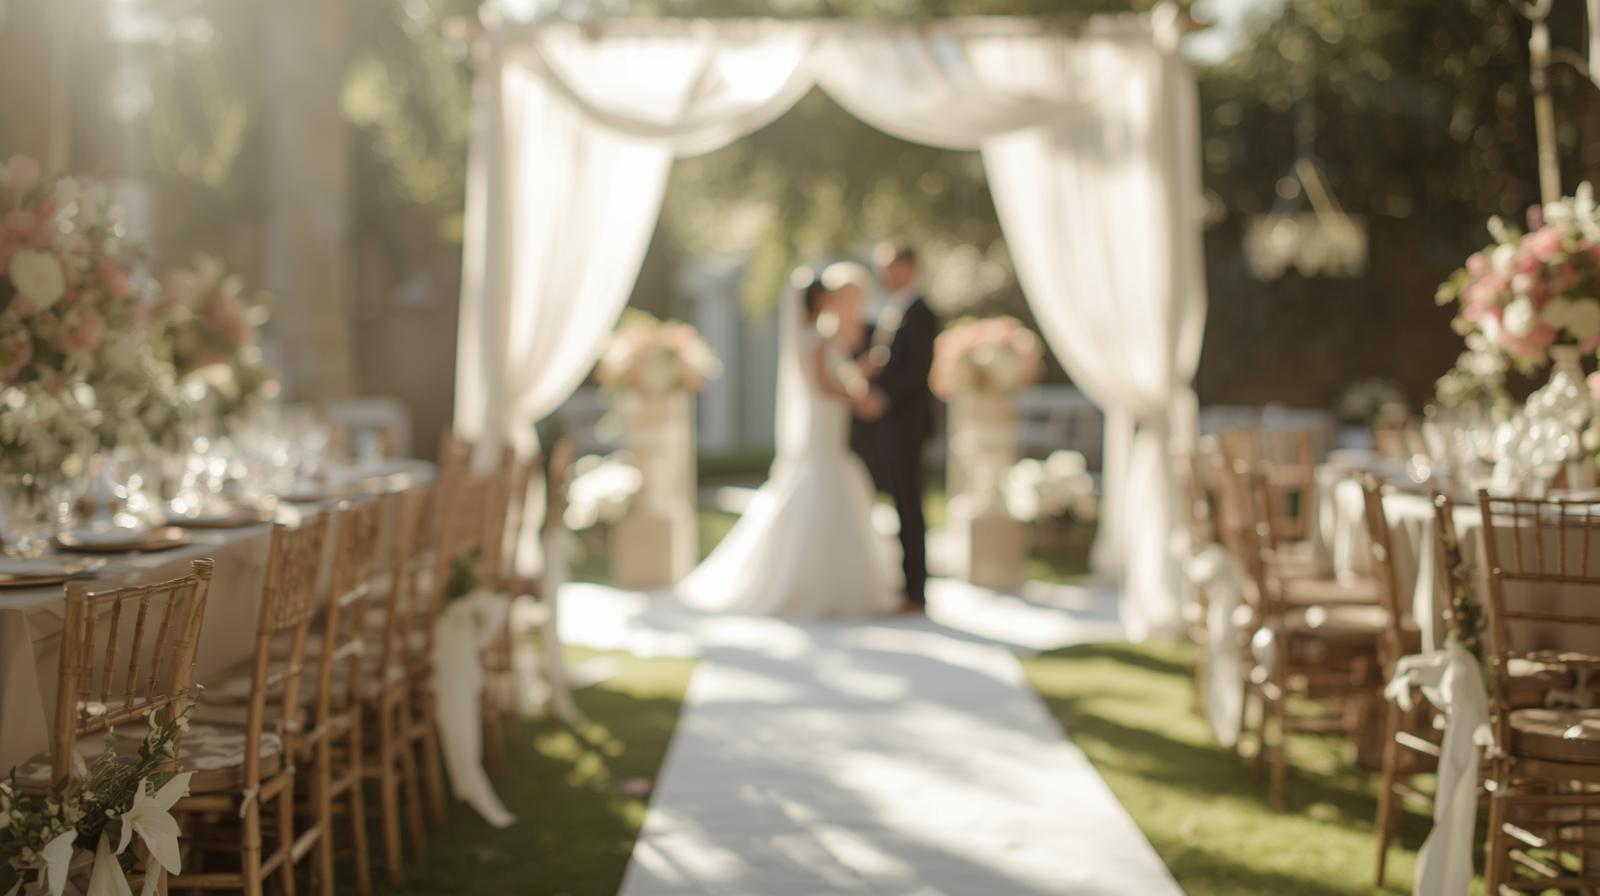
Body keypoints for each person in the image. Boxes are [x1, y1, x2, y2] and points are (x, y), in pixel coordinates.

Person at [676, 267, 900, 618]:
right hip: (823, 429)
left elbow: (832, 378)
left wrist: (857, 380)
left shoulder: (813, 337)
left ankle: (832, 587)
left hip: (828, 430)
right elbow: (823, 386)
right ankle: (815, 588)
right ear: (819, 300)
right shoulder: (818, 339)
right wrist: (856, 395)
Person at [850, 241, 939, 614]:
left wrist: (881, 397)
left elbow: (915, 370)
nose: (884, 274)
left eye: (890, 266)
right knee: (900, 503)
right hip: (890, 426)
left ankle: (916, 591)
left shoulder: (922, 314)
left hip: (908, 425)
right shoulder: (893, 310)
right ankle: (906, 585)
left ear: (909, 267)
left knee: (909, 504)